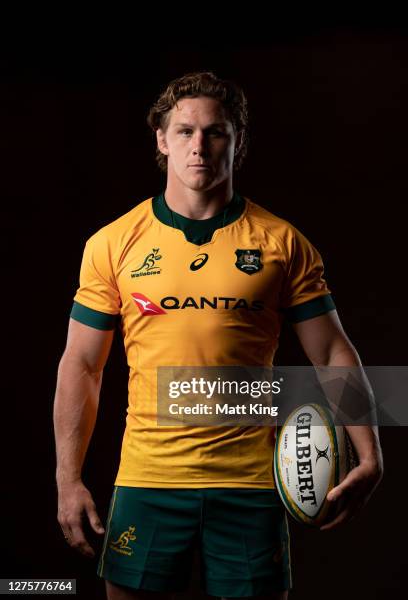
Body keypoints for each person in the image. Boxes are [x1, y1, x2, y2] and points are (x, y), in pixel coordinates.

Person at [54, 71, 384, 600]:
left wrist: (370, 451)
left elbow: (331, 351)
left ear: (238, 141)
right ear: (161, 140)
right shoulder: (113, 243)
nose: (199, 147)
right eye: (184, 132)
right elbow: (82, 366)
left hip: (252, 484)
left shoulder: (282, 242)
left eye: (216, 132)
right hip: (149, 479)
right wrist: (67, 479)